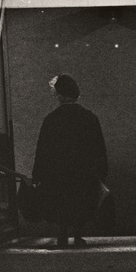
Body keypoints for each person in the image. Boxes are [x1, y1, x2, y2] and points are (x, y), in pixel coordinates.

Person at [33, 74, 108, 248]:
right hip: (83, 170)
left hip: (58, 171)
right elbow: (99, 147)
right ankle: (78, 235)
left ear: (59, 95)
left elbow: (43, 150)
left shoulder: (51, 120)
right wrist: (102, 170)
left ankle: (62, 235)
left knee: (62, 202)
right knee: (81, 201)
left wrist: (38, 174)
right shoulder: (89, 118)